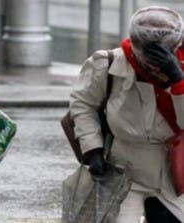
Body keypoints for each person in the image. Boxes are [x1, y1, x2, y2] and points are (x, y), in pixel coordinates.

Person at [69, 6, 184, 223]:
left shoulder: (181, 67)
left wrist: (178, 81)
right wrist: (93, 148)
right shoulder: (107, 63)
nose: (151, 65)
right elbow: (83, 104)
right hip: (123, 169)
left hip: (175, 173)